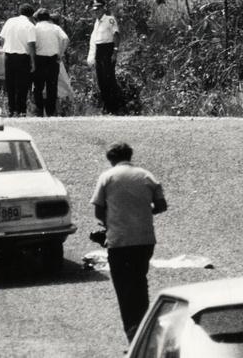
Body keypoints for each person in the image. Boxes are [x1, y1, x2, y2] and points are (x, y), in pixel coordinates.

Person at [90, 142, 168, 343]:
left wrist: (110, 222)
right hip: (144, 240)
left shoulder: (107, 177)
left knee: (124, 290)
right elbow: (161, 205)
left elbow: (98, 209)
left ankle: (133, 338)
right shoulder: (146, 175)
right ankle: (146, 334)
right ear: (130, 156)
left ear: (111, 159)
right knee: (140, 284)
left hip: (119, 242)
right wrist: (142, 212)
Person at [0, 3, 36, 116]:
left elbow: (1, 38)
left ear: (19, 11)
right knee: (22, 85)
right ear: (31, 15)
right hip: (23, 57)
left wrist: (5, 48)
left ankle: (11, 110)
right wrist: (33, 62)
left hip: (9, 56)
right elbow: (31, 45)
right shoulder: (30, 25)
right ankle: (22, 110)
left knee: (10, 84)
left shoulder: (10, 21)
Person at [87, 0, 122, 114]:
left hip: (108, 49)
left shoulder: (109, 19)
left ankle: (115, 106)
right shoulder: (97, 22)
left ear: (103, 9)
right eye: (94, 10)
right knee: (101, 79)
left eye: (98, 9)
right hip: (99, 50)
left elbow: (116, 35)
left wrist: (115, 52)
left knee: (109, 78)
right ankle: (107, 106)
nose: (96, 11)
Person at [33, 8, 69, 116]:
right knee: (51, 86)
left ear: (38, 18)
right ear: (48, 17)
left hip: (39, 59)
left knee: (38, 87)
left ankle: (39, 110)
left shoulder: (35, 28)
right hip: (53, 60)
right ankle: (50, 112)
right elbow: (65, 39)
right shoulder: (55, 27)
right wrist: (60, 54)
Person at [50, 13, 74, 101]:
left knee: (62, 83)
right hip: (57, 59)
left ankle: (68, 103)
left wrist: (60, 54)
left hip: (56, 59)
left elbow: (66, 39)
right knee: (62, 83)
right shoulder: (57, 31)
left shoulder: (56, 30)